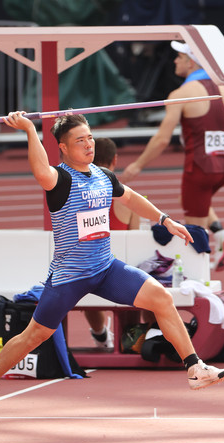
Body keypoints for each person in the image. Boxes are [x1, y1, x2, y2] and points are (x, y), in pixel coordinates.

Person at [0, 112, 224, 430]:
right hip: (69, 277)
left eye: (90, 137)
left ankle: (195, 368)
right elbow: (38, 169)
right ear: (62, 148)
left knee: (161, 297)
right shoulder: (58, 181)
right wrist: (29, 130)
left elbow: (131, 198)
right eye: (80, 140)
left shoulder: (104, 176)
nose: (89, 144)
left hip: (105, 268)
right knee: (33, 336)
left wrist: (166, 220)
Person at [121, 41, 224, 272]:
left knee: (194, 233)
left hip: (200, 168)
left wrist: (138, 164)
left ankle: (199, 278)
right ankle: (222, 233)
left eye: (179, 57)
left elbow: (162, 139)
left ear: (191, 61)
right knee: (197, 201)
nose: (174, 61)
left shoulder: (181, 94)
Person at [84, 137, 141, 348]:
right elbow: (136, 243)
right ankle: (132, 335)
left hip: (89, 269)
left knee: (84, 277)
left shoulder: (79, 194)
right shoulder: (126, 198)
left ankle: (100, 335)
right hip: (120, 270)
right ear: (114, 160)